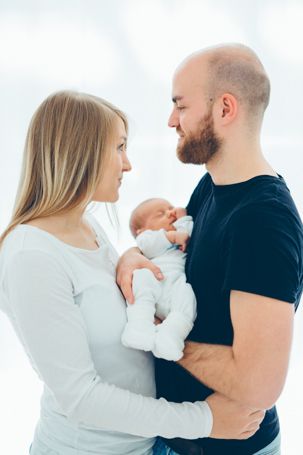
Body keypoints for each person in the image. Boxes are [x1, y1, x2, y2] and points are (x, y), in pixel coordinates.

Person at [0, 91, 265, 455]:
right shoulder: (30, 256)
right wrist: (204, 419)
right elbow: (80, 397)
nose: (127, 165)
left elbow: (109, 293)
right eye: (119, 148)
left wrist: (130, 254)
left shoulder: (87, 226)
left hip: (143, 445)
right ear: (81, 151)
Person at [117, 44, 303, 455]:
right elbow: (172, 254)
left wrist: (161, 335)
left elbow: (260, 383)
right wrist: (131, 257)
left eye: (179, 105)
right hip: (179, 436)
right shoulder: (213, 187)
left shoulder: (263, 221)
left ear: (224, 109)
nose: (170, 121)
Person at [122, 198, 196, 361]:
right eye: (161, 214)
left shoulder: (178, 233)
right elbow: (147, 246)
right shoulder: (148, 237)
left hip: (176, 283)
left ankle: (171, 334)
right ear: (141, 230)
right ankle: (139, 327)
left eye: (171, 208)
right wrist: (170, 237)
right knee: (142, 278)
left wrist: (183, 219)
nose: (171, 213)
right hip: (154, 280)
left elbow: (189, 236)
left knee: (188, 297)